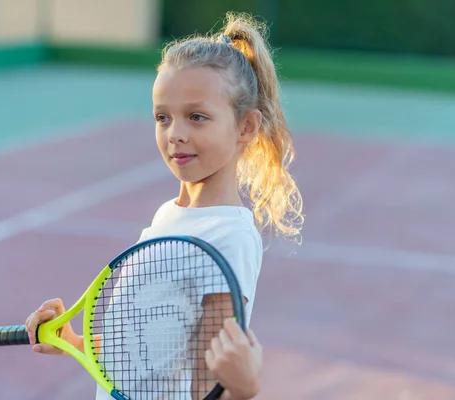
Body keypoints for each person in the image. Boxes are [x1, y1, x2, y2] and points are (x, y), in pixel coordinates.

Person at [25, 11, 303, 400]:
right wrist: (73, 340)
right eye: (163, 117)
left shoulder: (230, 238)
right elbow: (150, 355)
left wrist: (244, 388)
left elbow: (208, 385)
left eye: (197, 117)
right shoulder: (168, 215)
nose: (176, 134)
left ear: (247, 127)